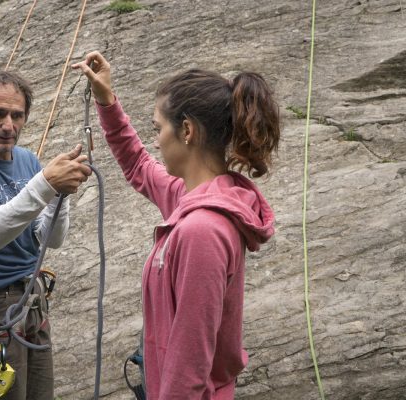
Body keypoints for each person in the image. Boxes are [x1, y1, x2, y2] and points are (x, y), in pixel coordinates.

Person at [73, 52, 279, 399]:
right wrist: (106, 100)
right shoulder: (191, 196)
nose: (155, 140)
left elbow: (190, 363)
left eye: (158, 129)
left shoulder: (203, 231)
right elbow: (137, 163)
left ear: (187, 131)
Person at [0, 71, 92, 400]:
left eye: (17, 115)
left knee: (40, 392)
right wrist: (46, 185)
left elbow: (49, 240)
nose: (8, 125)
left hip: (33, 298)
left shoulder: (27, 160)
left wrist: (59, 198)